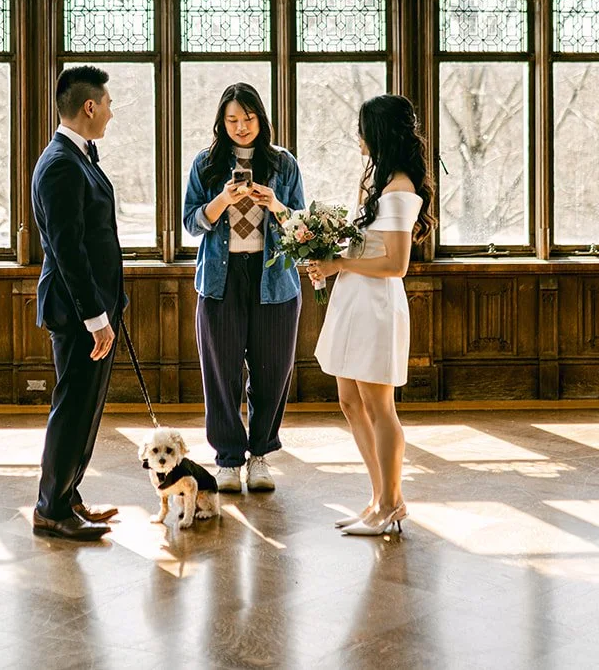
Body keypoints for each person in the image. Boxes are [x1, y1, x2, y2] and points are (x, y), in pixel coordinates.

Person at [305, 94, 436, 537]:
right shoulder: (377, 183)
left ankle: (392, 503)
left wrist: (339, 264)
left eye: (363, 129)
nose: (357, 138)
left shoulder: (399, 189)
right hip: (353, 301)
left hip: (376, 305)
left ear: (378, 134)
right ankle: (378, 498)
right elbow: (367, 247)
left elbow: (396, 264)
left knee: (380, 407)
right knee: (348, 401)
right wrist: (327, 255)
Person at [182, 84, 307, 494]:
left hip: (274, 279)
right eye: (232, 119)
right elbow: (190, 223)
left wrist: (275, 204)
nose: (240, 127)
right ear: (221, 121)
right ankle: (229, 461)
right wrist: (220, 202)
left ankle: (260, 456)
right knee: (221, 373)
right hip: (221, 279)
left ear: (261, 119)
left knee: (273, 371)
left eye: (248, 118)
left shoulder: (283, 164)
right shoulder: (205, 164)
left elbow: (301, 229)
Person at [30, 66, 126, 541]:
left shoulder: (79, 157)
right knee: (72, 408)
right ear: (89, 106)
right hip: (77, 313)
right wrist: (96, 318)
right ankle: (51, 508)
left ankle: (69, 496)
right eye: (107, 103)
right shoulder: (61, 164)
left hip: (95, 309)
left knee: (87, 408)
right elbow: (69, 250)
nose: (111, 112)